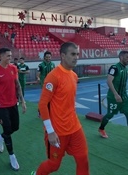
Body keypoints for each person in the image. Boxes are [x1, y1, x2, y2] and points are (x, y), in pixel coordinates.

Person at [31, 42, 89, 175]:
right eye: (73, 54)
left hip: (75, 127)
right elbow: (42, 104)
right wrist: (50, 131)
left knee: (83, 159)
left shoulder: (74, 75)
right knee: (54, 165)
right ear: (63, 55)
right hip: (58, 131)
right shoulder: (53, 76)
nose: (76, 57)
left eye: (77, 54)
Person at [0, 47, 27, 171]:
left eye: (10, 56)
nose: (10, 58)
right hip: (1, 105)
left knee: (15, 127)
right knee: (8, 128)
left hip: (13, 103)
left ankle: (1, 137)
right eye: (8, 56)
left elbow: (17, 85)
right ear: (1, 56)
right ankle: (12, 156)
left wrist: (23, 101)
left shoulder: (13, 68)